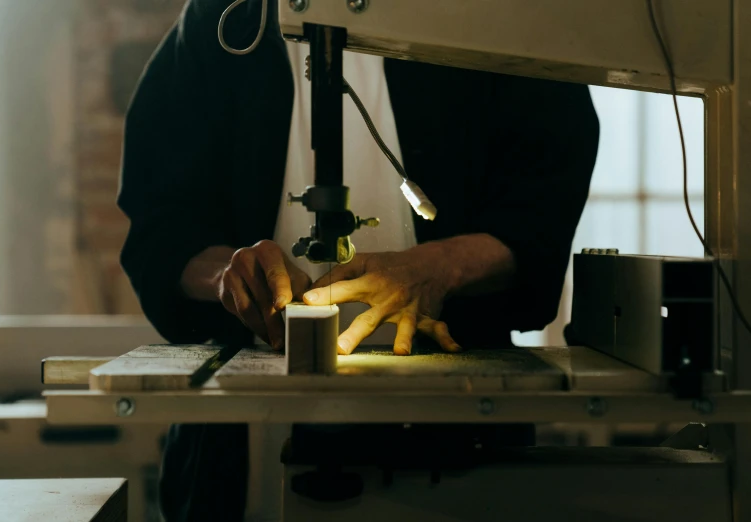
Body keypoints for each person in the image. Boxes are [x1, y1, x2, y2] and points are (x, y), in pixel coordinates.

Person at [118, 0, 600, 520]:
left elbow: (539, 217)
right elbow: (160, 232)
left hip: (460, 435)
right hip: (239, 450)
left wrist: (436, 267)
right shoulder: (228, 22)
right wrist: (231, 275)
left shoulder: (489, 16)